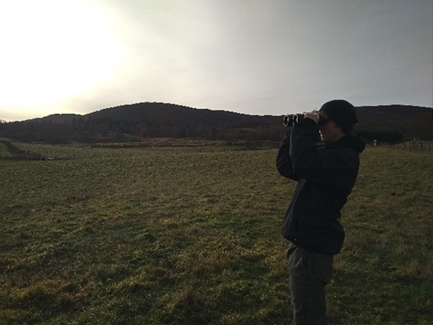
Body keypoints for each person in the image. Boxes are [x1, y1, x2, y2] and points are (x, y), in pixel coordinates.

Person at [276, 99, 365, 325]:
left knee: (308, 317)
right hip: (306, 244)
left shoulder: (342, 158)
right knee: (305, 309)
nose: (320, 126)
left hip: (312, 251)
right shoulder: (331, 153)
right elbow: (288, 166)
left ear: (339, 124)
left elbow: (304, 163)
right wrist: (294, 133)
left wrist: (306, 128)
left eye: (323, 120)